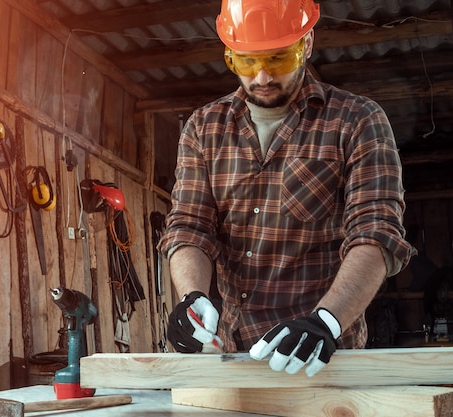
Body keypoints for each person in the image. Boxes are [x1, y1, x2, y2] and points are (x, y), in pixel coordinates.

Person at [158, 0, 416, 377]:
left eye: (278, 59)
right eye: (246, 62)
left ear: (307, 43)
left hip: (322, 356)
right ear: (229, 54)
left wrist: (327, 321)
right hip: (236, 357)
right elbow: (189, 227)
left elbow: (376, 232)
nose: (262, 77)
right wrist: (192, 296)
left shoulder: (358, 120)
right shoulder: (203, 127)